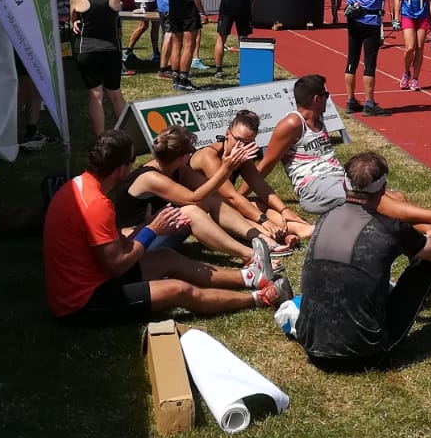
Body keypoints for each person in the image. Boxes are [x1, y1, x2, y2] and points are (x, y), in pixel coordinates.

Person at [42, 131, 290, 323]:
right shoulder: (98, 205)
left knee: (167, 257)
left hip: (90, 276)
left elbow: (114, 247)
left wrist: (146, 226)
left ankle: (251, 277)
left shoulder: (80, 187)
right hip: (81, 302)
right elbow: (117, 265)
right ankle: (260, 298)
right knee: (179, 290)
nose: (134, 165)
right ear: (120, 169)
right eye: (131, 161)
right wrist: (152, 230)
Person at [294, 151, 431, 369]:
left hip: (312, 348)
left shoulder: (326, 218)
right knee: (427, 269)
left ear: (344, 185)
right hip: (367, 355)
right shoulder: (390, 228)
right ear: (383, 189)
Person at [259, 75, 431, 228]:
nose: (328, 99)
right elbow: (267, 163)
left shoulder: (318, 118)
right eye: (326, 95)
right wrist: (243, 198)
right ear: (316, 99)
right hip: (313, 187)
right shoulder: (291, 124)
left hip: (336, 178)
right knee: (373, 200)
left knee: (397, 196)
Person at [114, 124, 282, 267]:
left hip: (157, 230)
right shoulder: (151, 177)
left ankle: (261, 239)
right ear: (183, 157)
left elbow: (210, 191)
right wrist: (226, 167)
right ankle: (250, 255)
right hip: (134, 243)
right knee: (190, 211)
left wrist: (227, 167)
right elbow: (194, 198)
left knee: (211, 199)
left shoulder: (178, 169)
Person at [196, 111, 314, 246]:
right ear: (227, 134)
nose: (241, 146)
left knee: (258, 203)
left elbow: (261, 186)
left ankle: (298, 228)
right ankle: (279, 235)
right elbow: (231, 196)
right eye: (238, 140)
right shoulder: (209, 156)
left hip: (223, 204)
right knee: (237, 210)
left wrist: (284, 210)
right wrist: (263, 220)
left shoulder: (242, 154)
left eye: (248, 143)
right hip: (202, 210)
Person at [70, 0, 126, 137]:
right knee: (115, 93)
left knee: (95, 94)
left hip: (86, 50)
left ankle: (101, 139)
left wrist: (75, 22)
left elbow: (73, 19)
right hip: (111, 49)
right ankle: (127, 135)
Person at [341, 0, 390, 115]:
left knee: (351, 60)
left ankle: (350, 100)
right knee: (369, 63)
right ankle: (369, 103)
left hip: (353, 18)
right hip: (370, 19)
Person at [395, 0, 431, 91]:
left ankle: (415, 78)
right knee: (410, 47)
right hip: (408, 15)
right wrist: (396, 18)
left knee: (420, 48)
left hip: (423, 16)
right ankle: (406, 72)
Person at [15, 52, 47, 151]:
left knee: (32, 90)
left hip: (26, 51)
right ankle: (30, 132)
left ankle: (31, 131)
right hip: (24, 50)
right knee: (30, 90)